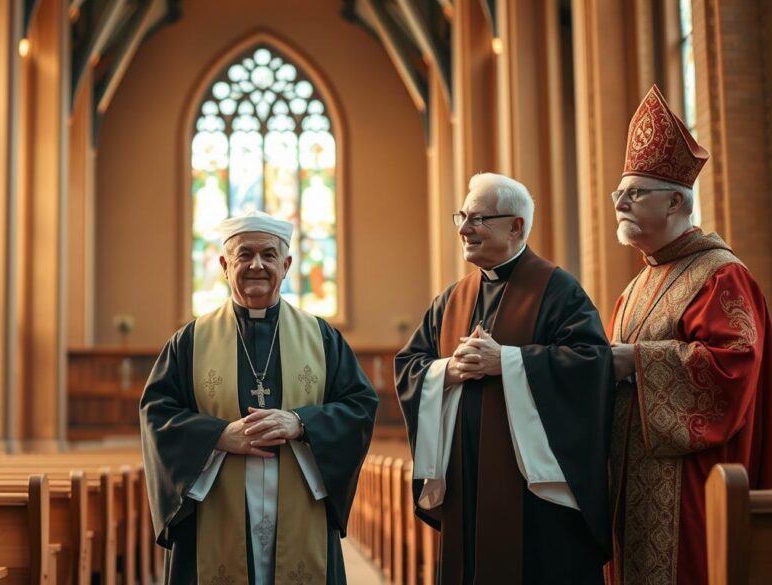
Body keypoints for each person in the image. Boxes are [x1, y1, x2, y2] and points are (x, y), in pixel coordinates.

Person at [395, 173, 615, 584]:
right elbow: (410, 365)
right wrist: (446, 371)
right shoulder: (450, 299)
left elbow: (591, 363)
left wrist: (509, 363)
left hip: (534, 494)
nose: (464, 229)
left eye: (478, 219)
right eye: (462, 216)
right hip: (466, 484)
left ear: (516, 226)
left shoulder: (558, 291)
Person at [140, 210, 377, 584]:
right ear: (223, 264)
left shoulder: (322, 337)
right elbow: (157, 413)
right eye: (244, 254)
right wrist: (218, 435)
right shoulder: (189, 341)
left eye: (268, 255)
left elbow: (359, 406)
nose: (256, 265)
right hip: (216, 506)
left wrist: (300, 423)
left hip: (300, 504)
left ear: (286, 265)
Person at [607, 85, 771, 585]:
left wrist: (636, 362)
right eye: (619, 193)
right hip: (629, 488)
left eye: (634, 193)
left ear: (677, 200)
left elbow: (734, 366)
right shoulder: (635, 288)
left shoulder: (721, 276)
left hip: (694, 489)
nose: (620, 202)